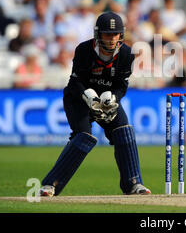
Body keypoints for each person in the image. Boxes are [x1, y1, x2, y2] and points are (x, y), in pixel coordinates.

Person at [39, 11, 151, 197]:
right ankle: (51, 185)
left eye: (115, 34)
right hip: (79, 99)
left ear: (121, 34)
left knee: (124, 131)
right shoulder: (84, 50)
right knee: (83, 136)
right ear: (98, 34)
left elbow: (122, 86)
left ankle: (133, 184)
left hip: (106, 101)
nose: (112, 38)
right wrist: (88, 97)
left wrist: (113, 99)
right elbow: (75, 82)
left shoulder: (126, 54)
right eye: (107, 34)